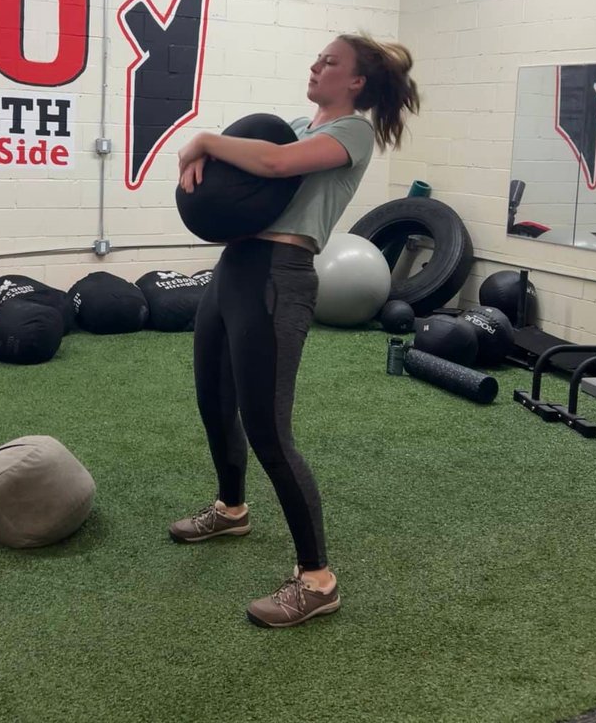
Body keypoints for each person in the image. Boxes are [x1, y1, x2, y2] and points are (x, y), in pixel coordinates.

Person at [171, 33, 420, 628]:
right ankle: (231, 509)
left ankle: (317, 580)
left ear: (356, 82)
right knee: (214, 401)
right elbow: (254, 162)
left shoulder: (350, 133)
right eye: (317, 58)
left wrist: (204, 140)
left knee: (268, 431)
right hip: (235, 268)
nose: (315, 66)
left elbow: (276, 165)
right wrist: (213, 161)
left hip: (279, 278)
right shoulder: (291, 124)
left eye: (330, 62)